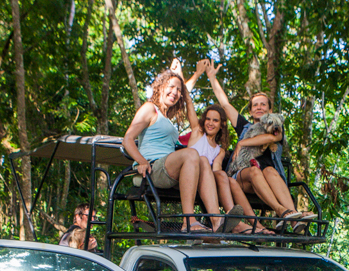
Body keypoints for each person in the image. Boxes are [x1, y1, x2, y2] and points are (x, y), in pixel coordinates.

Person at [207, 63, 315, 232]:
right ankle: (282, 211)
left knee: (269, 171)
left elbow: (274, 137)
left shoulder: (276, 126)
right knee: (256, 171)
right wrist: (212, 77)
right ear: (250, 111)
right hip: (244, 176)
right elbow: (225, 105)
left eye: (263, 104)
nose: (259, 107)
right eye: (255, 105)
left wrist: (242, 143)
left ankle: (293, 217)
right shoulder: (244, 126)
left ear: (270, 110)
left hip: (267, 181)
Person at [122, 61, 226, 234]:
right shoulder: (150, 109)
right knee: (192, 154)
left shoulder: (167, 117)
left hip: (171, 170)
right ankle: (189, 221)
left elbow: (185, 94)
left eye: (179, 90)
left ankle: (216, 220)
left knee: (202, 159)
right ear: (160, 87)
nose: (175, 92)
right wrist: (141, 161)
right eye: (171, 87)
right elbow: (127, 139)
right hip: (154, 167)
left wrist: (192, 76)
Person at [186, 101, 274, 236]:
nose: (210, 123)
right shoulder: (198, 133)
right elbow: (190, 108)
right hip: (191, 175)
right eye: (208, 119)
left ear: (221, 125)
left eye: (215, 120)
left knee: (228, 179)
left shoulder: (219, 150)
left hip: (207, 180)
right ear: (203, 121)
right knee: (210, 167)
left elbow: (216, 171)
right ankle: (237, 223)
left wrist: (221, 178)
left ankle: (251, 222)